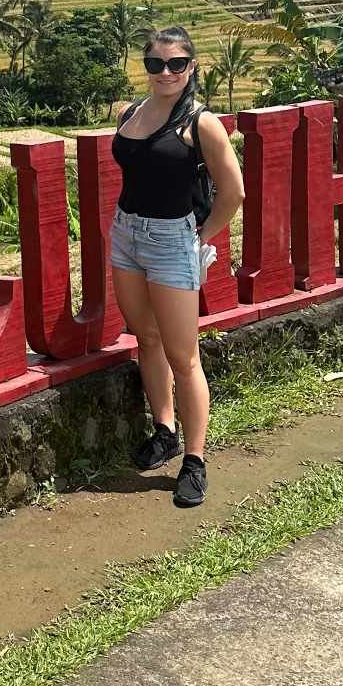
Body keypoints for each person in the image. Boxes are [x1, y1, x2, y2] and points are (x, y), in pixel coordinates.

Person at [110, 25, 245, 508]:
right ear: (145, 67)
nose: (165, 72)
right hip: (126, 235)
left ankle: (194, 459)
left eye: (175, 64)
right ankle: (163, 430)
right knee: (145, 338)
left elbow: (234, 193)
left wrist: (199, 239)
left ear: (191, 67)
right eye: (155, 64)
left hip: (172, 241)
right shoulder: (132, 112)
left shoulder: (200, 122)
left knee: (184, 356)